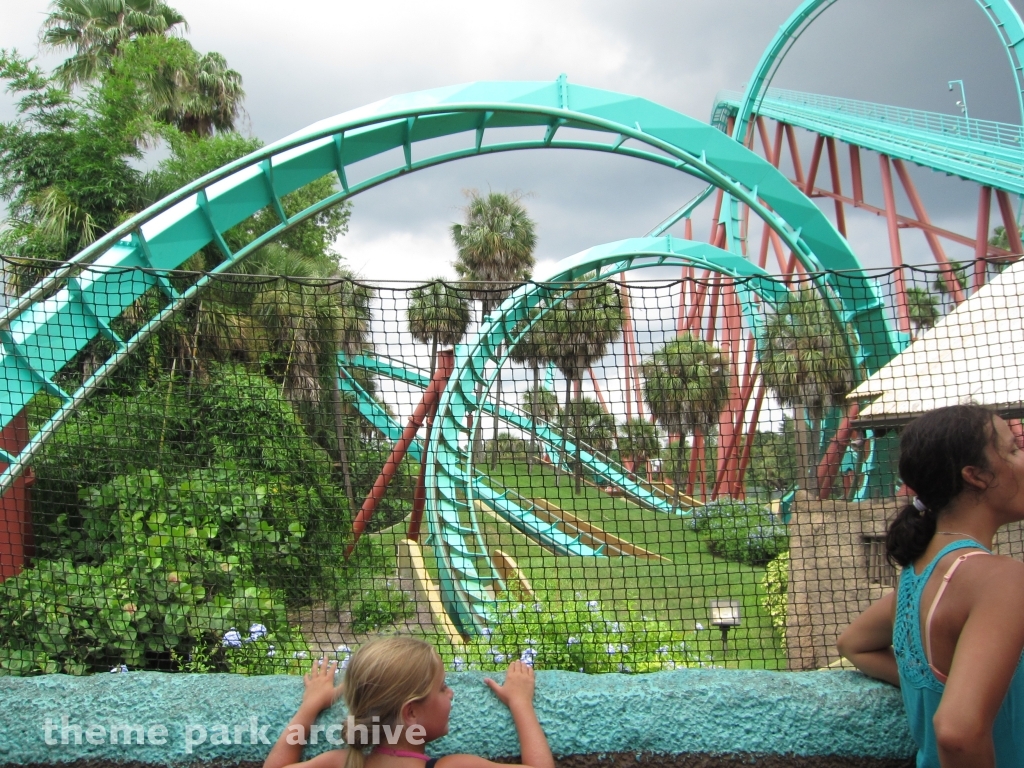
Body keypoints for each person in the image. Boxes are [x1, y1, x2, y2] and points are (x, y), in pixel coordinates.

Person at [837, 405, 1024, 767]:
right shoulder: (1001, 579)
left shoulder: (919, 576)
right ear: (977, 476)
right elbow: (958, 732)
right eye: (1013, 449)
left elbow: (854, 643)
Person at [264, 636, 554, 768]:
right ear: (411, 712)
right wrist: (520, 702)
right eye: (442, 688)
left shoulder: (339, 762)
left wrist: (310, 705)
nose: (450, 693)